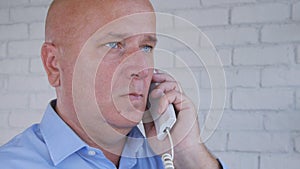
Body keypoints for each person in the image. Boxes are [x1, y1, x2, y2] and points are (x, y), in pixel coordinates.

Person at [0, 0, 228, 168]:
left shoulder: (168, 157)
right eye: (114, 44)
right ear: (54, 65)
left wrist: (188, 152)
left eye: (146, 47)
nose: (141, 68)